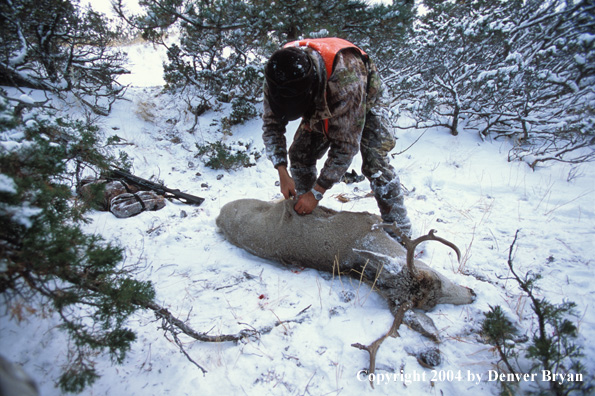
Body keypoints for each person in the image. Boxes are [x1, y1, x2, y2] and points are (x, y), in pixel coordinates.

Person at [262, 37, 412, 238]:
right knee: (299, 154)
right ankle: (305, 214)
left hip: (364, 101)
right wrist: (281, 169)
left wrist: (318, 192)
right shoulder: (278, 75)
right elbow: (272, 125)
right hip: (316, 98)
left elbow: (345, 147)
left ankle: (400, 232)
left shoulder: (347, 78)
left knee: (375, 164)